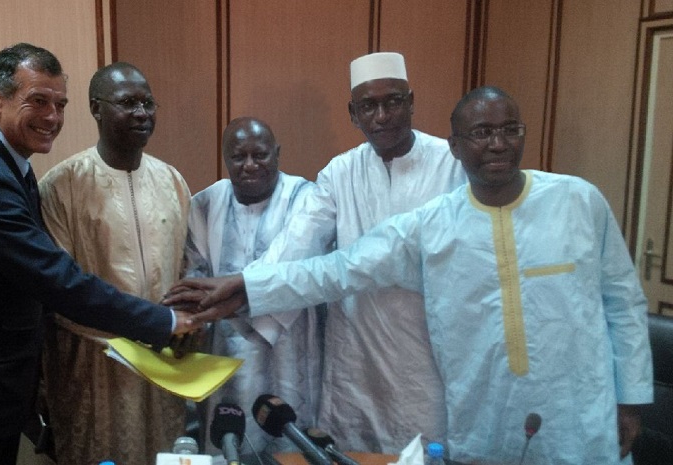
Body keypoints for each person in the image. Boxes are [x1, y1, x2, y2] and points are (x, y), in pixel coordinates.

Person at [166, 86, 654, 465]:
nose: (498, 145)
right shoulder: (432, 224)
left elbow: (623, 302)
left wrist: (630, 399)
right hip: (484, 411)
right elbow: (338, 270)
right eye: (481, 135)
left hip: (580, 410)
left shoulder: (578, 201)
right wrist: (247, 285)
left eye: (510, 130)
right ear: (457, 147)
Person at [0, 44, 198, 465]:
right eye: (38, 101)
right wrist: (161, 322)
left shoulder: (7, 164)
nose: (52, 117)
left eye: (59, 104)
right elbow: (57, 280)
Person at [246, 51, 466, 453]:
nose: (382, 115)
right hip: (356, 357)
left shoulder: (452, 165)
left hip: (427, 358)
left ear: (412, 102)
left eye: (393, 101)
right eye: (368, 105)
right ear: (353, 113)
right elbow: (297, 245)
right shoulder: (339, 173)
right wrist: (247, 292)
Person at [37, 61, 192, 465]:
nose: (142, 113)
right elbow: (58, 291)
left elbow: (189, 269)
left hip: (164, 365)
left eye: (148, 102)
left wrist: (187, 323)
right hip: (93, 371)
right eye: (128, 103)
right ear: (96, 108)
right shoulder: (61, 185)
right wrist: (140, 328)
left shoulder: (172, 180)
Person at [186, 117, 324, 459]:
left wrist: (231, 297)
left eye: (260, 155)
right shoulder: (204, 204)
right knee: (229, 444)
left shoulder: (305, 198)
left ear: (277, 154)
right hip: (224, 359)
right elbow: (196, 282)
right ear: (224, 158)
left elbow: (301, 275)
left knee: (290, 446)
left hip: (292, 354)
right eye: (238, 156)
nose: (249, 165)